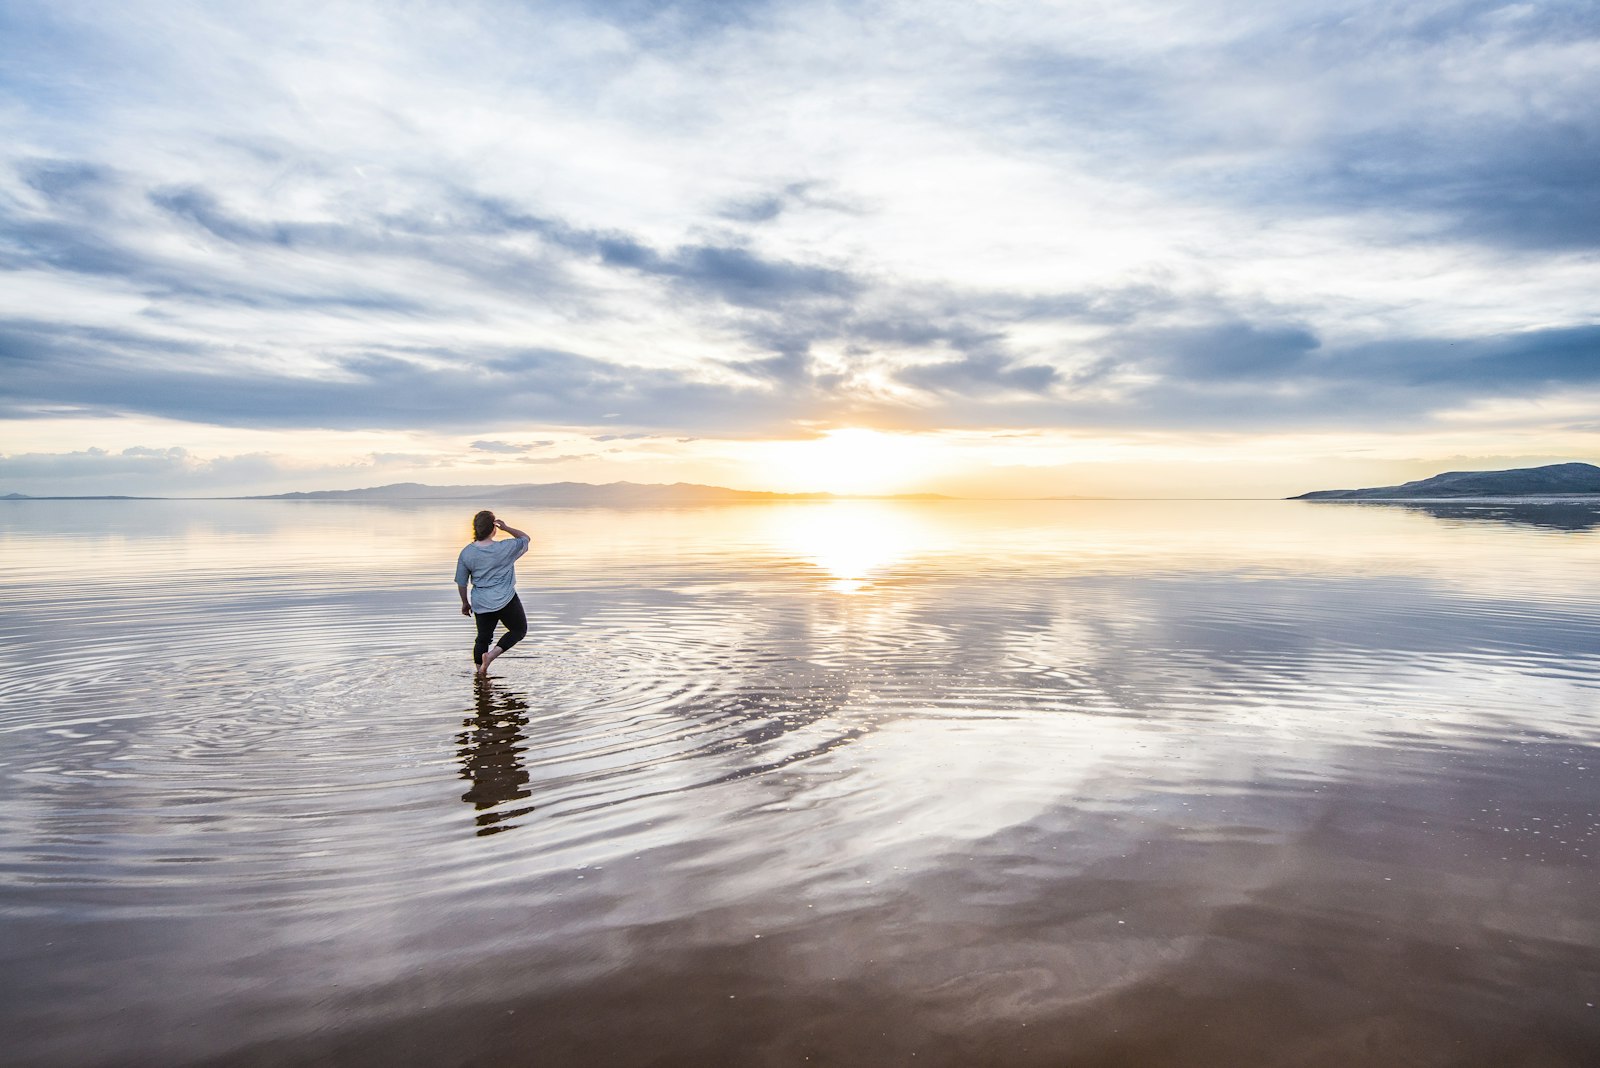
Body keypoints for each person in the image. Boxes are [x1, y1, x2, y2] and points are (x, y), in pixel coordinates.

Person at [455, 510, 530, 676]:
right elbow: (525, 538)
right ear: (493, 528)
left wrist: (465, 603)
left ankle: (480, 673)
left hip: (481, 601)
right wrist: (506, 527)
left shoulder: (467, 553)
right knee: (518, 630)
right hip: (506, 599)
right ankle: (491, 656)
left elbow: (462, 582)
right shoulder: (505, 548)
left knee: (483, 638)